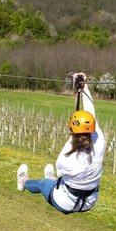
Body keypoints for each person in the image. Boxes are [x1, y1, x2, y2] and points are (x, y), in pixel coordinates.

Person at [16, 72, 105, 214]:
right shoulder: (99, 142)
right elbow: (91, 114)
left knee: (42, 184)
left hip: (65, 202)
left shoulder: (67, 156)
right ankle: (52, 180)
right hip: (89, 202)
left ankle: (23, 182)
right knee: (61, 180)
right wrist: (85, 86)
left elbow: (61, 172)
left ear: (72, 131)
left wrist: (82, 87)